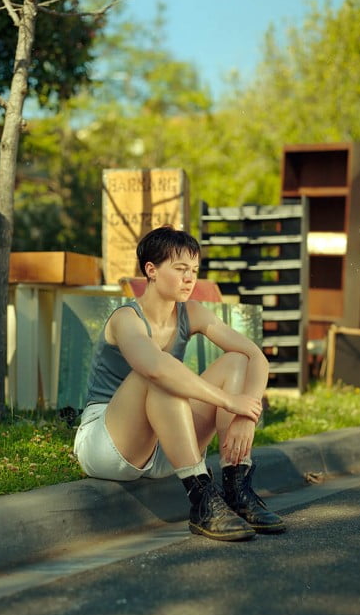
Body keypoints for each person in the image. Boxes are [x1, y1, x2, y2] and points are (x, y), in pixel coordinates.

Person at [73, 225, 286, 542]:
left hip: (167, 444)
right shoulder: (126, 319)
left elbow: (256, 356)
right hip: (108, 444)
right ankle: (202, 501)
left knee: (236, 360)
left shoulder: (192, 313)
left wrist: (246, 414)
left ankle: (236, 487)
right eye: (180, 269)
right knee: (160, 372)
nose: (190, 278)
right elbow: (156, 369)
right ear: (151, 270)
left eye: (194, 270)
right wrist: (229, 401)